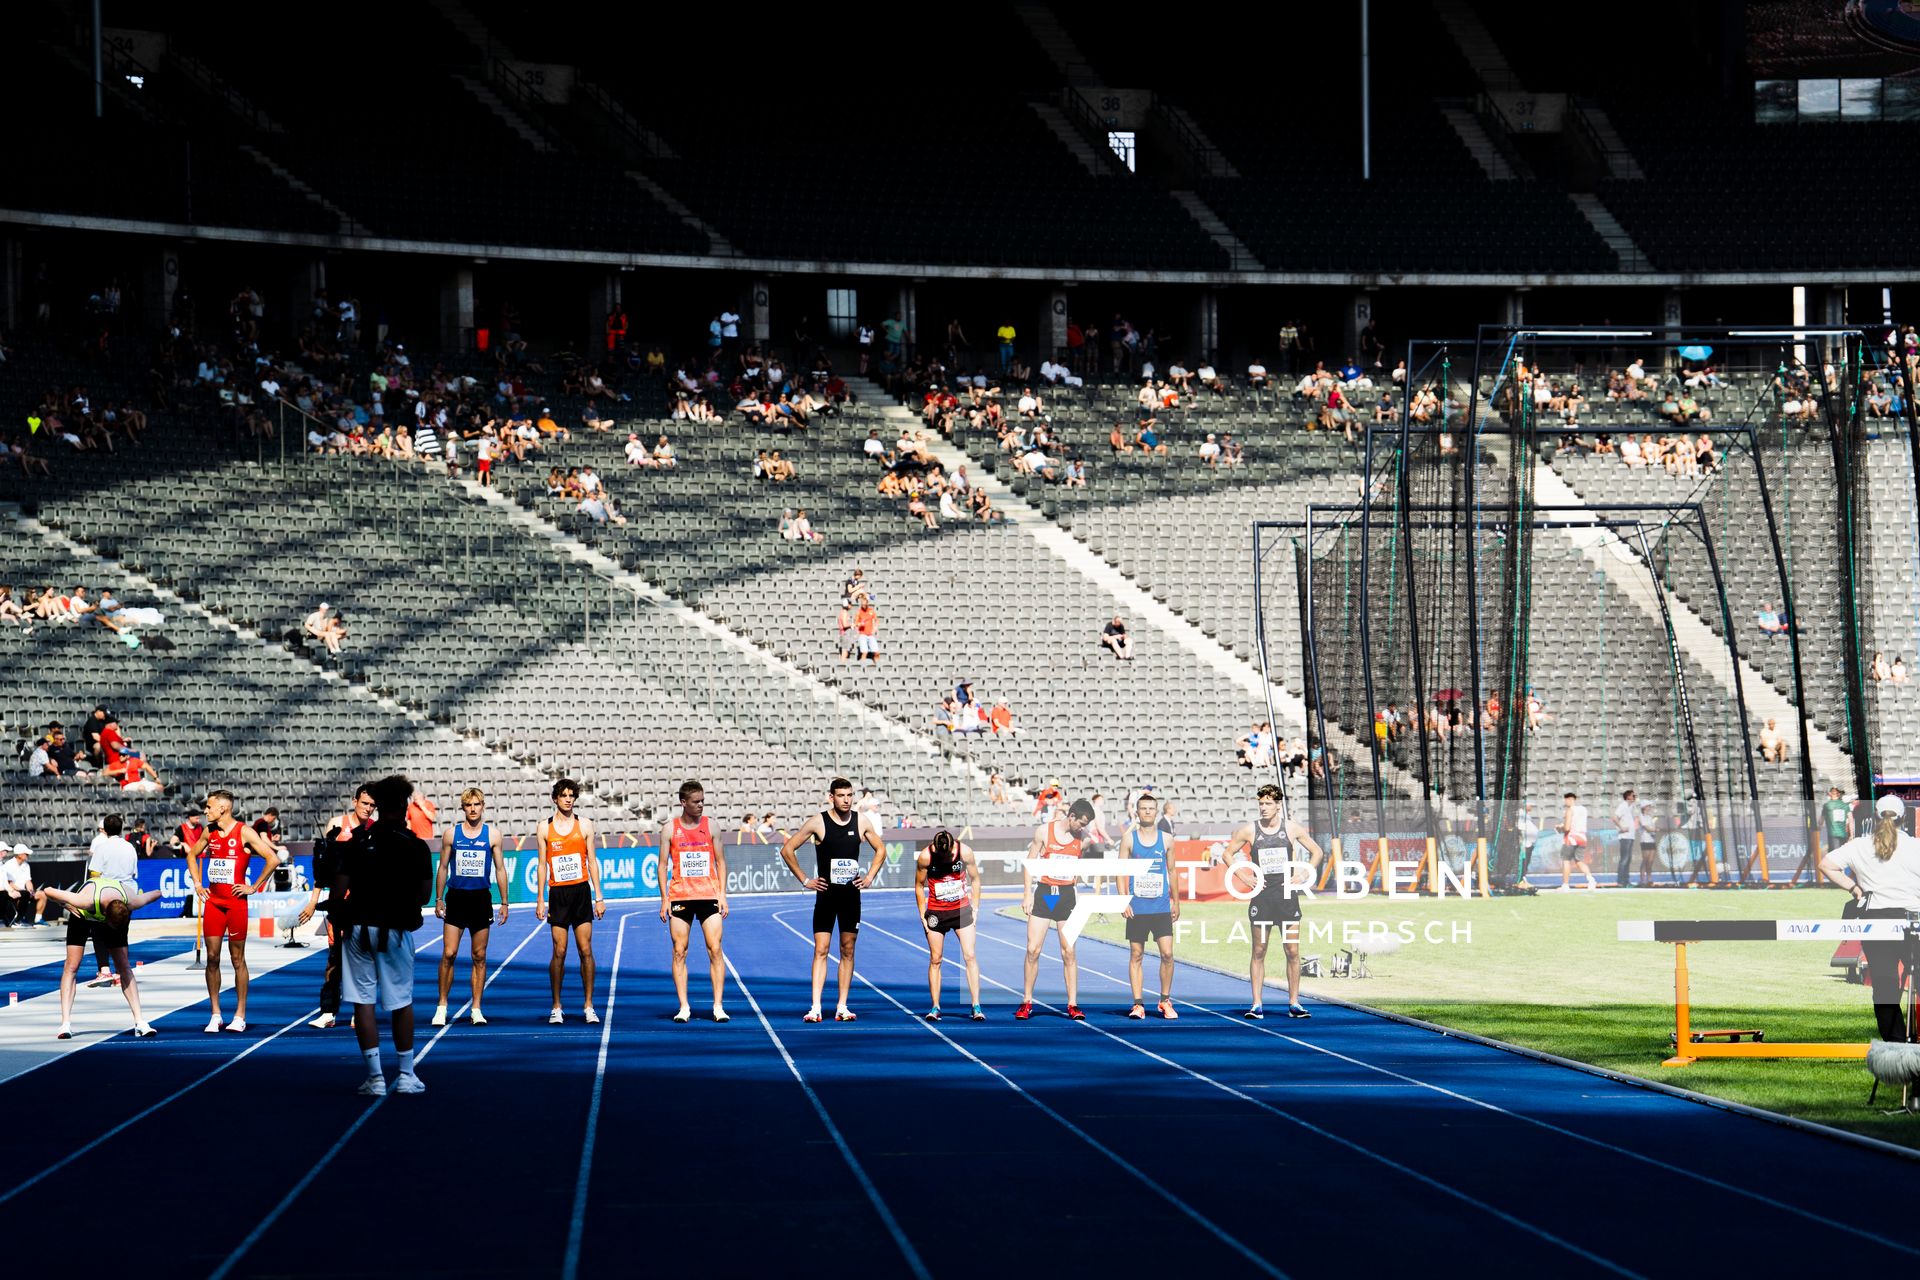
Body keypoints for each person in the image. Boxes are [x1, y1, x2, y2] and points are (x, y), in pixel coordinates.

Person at [337, 774, 433, 1096]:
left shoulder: (357, 844)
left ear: (377, 807)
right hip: (395, 928)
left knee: (363, 1002)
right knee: (401, 1001)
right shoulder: (416, 847)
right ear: (405, 807)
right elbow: (423, 895)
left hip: (359, 929)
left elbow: (339, 891)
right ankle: (406, 1075)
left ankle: (375, 1078)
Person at [779, 778, 888, 1022]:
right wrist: (806, 880)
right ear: (831, 797)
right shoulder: (819, 821)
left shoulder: (861, 821)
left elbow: (881, 850)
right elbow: (787, 850)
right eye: (841, 795)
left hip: (851, 896)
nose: (846, 800)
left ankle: (842, 1006)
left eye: (850, 795)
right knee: (821, 949)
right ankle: (816, 1007)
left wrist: (869, 876)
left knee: (847, 950)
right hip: (826, 894)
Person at [1219, 784, 1325, 1019]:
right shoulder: (1250, 830)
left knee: (1292, 951)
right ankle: (1256, 1004)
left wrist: (1304, 874)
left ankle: (1294, 1003)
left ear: (1278, 805)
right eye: (1261, 803)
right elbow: (1227, 854)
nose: (1264, 807)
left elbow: (1317, 852)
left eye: (1268, 803)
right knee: (1259, 949)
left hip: (1287, 898)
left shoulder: (1292, 829)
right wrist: (1244, 876)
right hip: (1262, 898)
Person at [1820, 795, 1920, 1042]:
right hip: (1914, 921)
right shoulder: (1916, 846)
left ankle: (1895, 1047)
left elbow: (1826, 865)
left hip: (1876, 924)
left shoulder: (1859, 846)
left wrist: (1854, 889)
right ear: (1904, 818)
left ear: (1875, 817)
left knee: (1885, 987)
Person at [185, 790, 283, 1033]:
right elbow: (191, 854)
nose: (205, 811)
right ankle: (215, 1014)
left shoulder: (244, 832)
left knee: (237, 959)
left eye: (209, 807)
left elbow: (273, 859)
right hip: (214, 904)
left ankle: (240, 1015)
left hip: (236, 904)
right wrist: (198, 884)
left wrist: (254, 886)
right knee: (212, 958)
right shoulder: (209, 832)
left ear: (223, 809)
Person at [39, 875, 163, 1039]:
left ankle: (140, 1021)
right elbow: (48, 891)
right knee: (72, 966)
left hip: (115, 914)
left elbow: (157, 893)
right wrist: (65, 904)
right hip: (82, 915)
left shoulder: (131, 900)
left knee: (124, 966)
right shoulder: (84, 900)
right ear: (105, 914)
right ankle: (65, 1024)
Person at [431, 787, 510, 1027]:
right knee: (449, 953)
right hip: (456, 898)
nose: (473, 809)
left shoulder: (493, 835)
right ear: (463, 808)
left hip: (480, 899)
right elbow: (443, 867)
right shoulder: (451, 835)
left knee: (479, 956)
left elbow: (499, 869)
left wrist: (505, 902)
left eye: (476, 804)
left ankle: (476, 1008)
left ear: (483, 806)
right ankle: (442, 1006)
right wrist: (439, 898)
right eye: (468, 805)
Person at [1016, 797, 1097, 1021]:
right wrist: (1026, 894)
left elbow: (1095, 843)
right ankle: (1027, 1001)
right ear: (1071, 816)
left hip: (1066, 897)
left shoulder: (1082, 838)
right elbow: (1030, 861)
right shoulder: (1044, 832)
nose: (1083, 827)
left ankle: (1072, 1004)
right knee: (1033, 949)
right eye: (1081, 822)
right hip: (1045, 895)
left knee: (1068, 952)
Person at [660, 780, 730, 1023]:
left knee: (715, 949)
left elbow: (720, 861)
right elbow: (661, 866)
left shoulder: (712, 826)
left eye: (703, 801)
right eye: (696, 801)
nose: (701, 805)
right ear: (683, 803)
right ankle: (684, 1007)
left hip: (708, 895)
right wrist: (664, 899)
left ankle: (718, 1006)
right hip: (680, 896)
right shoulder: (670, 829)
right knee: (679, 951)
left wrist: (722, 895)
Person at [536, 778, 605, 1025]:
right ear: (555, 798)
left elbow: (592, 862)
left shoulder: (585, 825)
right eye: (563, 795)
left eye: (571, 795)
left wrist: (599, 896)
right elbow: (542, 865)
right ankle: (556, 1006)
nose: (567, 799)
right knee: (560, 951)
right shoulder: (544, 827)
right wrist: (540, 899)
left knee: (585, 949)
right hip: (558, 895)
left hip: (581, 893)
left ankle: (588, 1005)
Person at [303, 787, 373, 1029]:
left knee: (361, 960)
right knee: (334, 959)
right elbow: (323, 869)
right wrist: (313, 901)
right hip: (338, 904)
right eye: (364, 803)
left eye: (372, 805)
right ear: (354, 801)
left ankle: (359, 1012)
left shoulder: (374, 830)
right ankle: (328, 1012)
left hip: (364, 905)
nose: (368, 808)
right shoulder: (336, 824)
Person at [1120, 793, 1180, 1020]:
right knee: (1136, 954)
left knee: (1167, 954)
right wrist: (1123, 899)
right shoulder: (1129, 839)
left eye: (1150, 808)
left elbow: (1172, 871)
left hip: (1161, 906)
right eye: (1143, 808)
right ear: (1137, 812)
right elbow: (1120, 871)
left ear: (1156, 812)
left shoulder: (1166, 839)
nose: (1147, 812)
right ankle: (1138, 1004)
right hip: (1137, 907)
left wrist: (1177, 900)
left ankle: (1165, 1001)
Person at [915, 829, 984, 1021]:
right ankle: (935, 1007)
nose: (944, 858)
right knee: (936, 959)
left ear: (953, 847)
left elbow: (976, 879)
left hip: (961, 910)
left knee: (970, 955)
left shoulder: (965, 852)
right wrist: (922, 914)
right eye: (941, 854)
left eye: (947, 854)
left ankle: (976, 1006)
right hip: (936, 913)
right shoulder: (926, 856)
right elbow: (919, 885)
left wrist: (976, 908)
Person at [1557, 791, 1598, 891]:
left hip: (1571, 837)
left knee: (1566, 860)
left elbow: (1567, 828)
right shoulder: (1583, 809)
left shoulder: (1570, 810)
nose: (1565, 802)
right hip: (1582, 837)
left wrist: (1559, 828)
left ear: (1570, 799)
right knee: (1579, 861)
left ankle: (1565, 885)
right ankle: (1591, 880)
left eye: (1566, 799)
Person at [1613, 789, 1640, 888]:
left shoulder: (1631, 807)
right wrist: (1621, 828)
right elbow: (1614, 817)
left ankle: (1626, 881)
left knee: (1627, 859)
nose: (1634, 797)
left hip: (1630, 836)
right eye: (1633, 796)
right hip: (1625, 837)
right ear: (1628, 797)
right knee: (1624, 859)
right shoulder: (1623, 805)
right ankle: (1621, 881)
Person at [1821, 785, 1855, 857]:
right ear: (1839, 794)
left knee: (1835, 857)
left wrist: (1817, 829)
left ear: (1830, 794)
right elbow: (1851, 820)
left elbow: (1820, 821)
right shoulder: (1845, 805)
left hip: (1832, 835)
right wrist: (1851, 835)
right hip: (1843, 835)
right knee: (1842, 856)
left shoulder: (1827, 805)